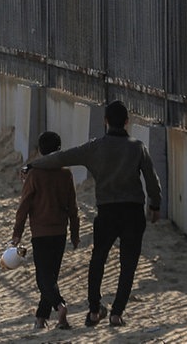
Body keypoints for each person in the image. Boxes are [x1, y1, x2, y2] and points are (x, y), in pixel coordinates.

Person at [27, 100, 161, 329]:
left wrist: (34, 164)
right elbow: (152, 180)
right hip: (132, 211)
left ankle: (94, 309)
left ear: (105, 121)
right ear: (127, 122)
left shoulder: (94, 147)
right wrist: (155, 206)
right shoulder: (137, 147)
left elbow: (62, 157)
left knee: (98, 260)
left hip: (107, 211)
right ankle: (117, 313)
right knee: (128, 264)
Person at [10, 130, 80, 330]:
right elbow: (73, 207)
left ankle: (60, 306)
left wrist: (17, 233)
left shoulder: (34, 175)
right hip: (60, 232)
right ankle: (41, 319)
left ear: (40, 150)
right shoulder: (66, 174)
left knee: (43, 279)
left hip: (40, 233)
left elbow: (24, 206)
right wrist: (75, 233)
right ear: (59, 149)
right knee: (51, 278)